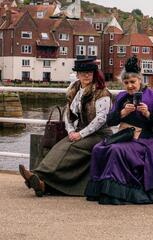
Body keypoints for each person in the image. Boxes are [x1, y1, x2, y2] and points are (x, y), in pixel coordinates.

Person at [85, 56, 153, 205]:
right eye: (126, 83)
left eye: (133, 82)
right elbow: (110, 121)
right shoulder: (121, 97)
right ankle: (101, 191)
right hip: (124, 137)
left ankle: (116, 194)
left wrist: (148, 114)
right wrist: (122, 114)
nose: (130, 86)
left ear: (140, 80)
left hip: (147, 140)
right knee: (98, 148)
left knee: (115, 151)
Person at [19, 58, 113, 197]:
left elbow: (100, 119)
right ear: (77, 75)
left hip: (100, 134)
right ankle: (42, 184)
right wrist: (70, 131)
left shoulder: (102, 93)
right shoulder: (74, 90)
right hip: (80, 132)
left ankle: (37, 175)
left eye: (89, 73)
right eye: (83, 73)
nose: (86, 76)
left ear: (94, 74)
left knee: (71, 147)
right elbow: (68, 113)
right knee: (59, 146)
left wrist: (80, 134)